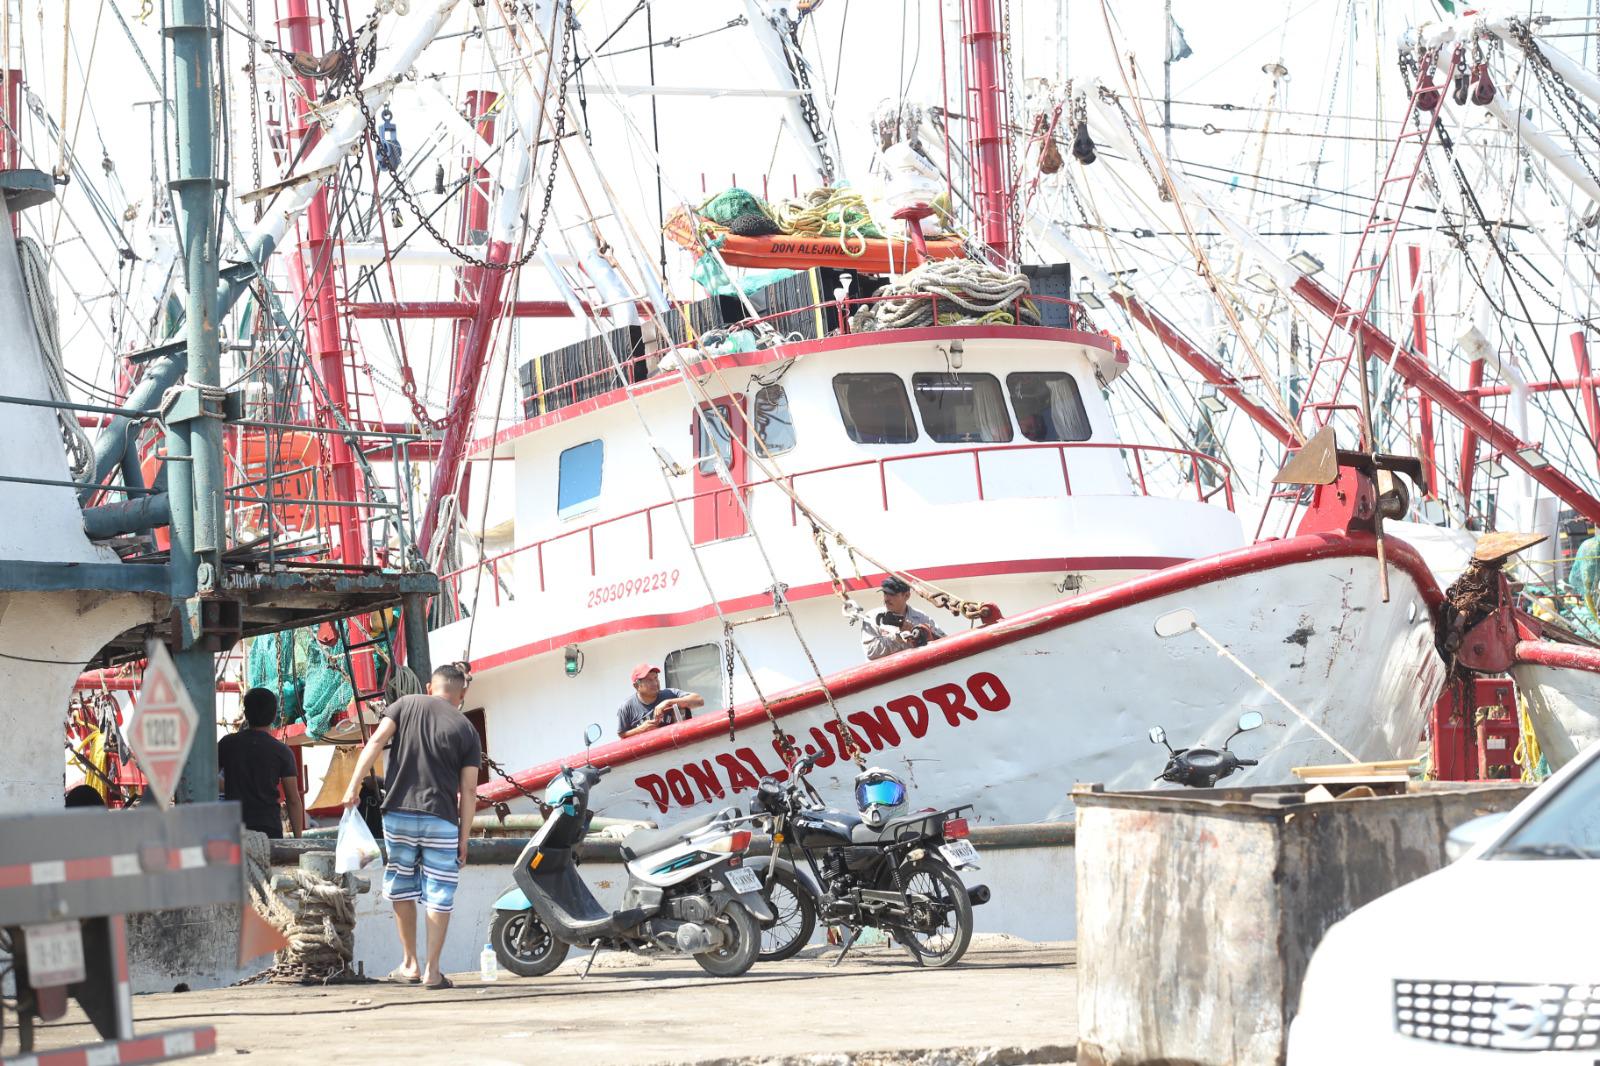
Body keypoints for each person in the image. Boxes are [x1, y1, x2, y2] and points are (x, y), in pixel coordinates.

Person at [341, 663, 482, 990]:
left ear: (430, 687)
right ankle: (433, 971)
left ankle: (410, 964)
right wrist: (464, 839)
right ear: (462, 694)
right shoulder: (466, 729)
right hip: (442, 818)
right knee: (439, 892)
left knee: (401, 884)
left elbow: (375, 743)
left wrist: (352, 787)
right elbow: (470, 791)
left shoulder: (404, 705)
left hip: (399, 814)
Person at [217, 688, 305, 839]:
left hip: (234, 828)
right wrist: (298, 840)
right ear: (273, 715)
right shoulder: (282, 751)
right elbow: (293, 800)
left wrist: (229, 785)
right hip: (269, 829)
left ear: (246, 714)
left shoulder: (227, 744)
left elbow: (206, 778)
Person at [861, 576, 946, 660]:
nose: (886, 598)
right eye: (885, 593)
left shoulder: (921, 618)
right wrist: (897, 638)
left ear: (907, 595)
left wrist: (924, 634)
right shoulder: (872, 617)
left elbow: (944, 642)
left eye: (892, 594)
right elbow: (870, 651)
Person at [617, 664, 703, 738]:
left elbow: (699, 701)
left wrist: (668, 703)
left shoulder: (670, 694)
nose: (655, 683)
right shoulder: (626, 707)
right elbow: (622, 735)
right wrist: (640, 729)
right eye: (649, 680)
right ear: (636, 686)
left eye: (656, 678)